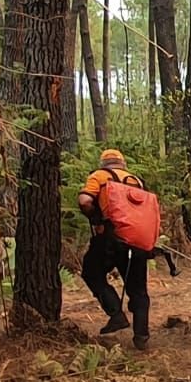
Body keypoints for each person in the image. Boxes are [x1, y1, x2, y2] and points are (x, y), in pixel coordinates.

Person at [78, 149, 151, 350]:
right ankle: (142, 336)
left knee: (92, 273)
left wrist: (96, 218)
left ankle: (116, 314)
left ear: (104, 163)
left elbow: (85, 201)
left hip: (109, 239)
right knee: (138, 289)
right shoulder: (136, 180)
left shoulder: (99, 176)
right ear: (122, 163)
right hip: (136, 241)